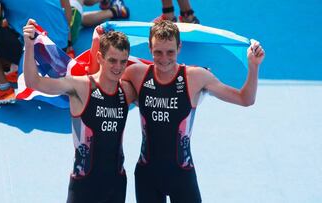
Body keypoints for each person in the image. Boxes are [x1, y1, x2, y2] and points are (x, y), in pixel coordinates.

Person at [122, 20, 265, 202]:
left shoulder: (196, 77)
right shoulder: (136, 74)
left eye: (170, 52)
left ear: (179, 47)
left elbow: (245, 99)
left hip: (181, 177)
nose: (164, 59)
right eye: (158, 52)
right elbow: (106, 88)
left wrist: (254, 66)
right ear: (149, 48)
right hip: (147, 176)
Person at [23, 19, 136, 203]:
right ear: (99, 58)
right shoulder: (82, 87)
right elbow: (33, 83)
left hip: (116, 183)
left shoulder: (127, 91)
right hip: (84, 186)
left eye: (123, 62)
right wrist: (29, 46)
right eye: (112, 60)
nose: (118, 67)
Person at [0, 0, 69, 104]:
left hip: (37, 54)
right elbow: (65, 6)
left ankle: (2, 89)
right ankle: (18, 68)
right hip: (61, 51)